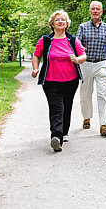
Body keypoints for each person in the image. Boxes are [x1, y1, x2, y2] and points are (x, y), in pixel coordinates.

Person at [32, 10, 86, 152]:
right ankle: (56, 137)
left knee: (67, 106)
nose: (60, 22)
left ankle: (64, 131)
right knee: (56, 108)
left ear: (67, 24)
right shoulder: (45, 40)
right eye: (57, 20)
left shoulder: (73, 40)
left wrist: (77, 59)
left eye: (63, 20)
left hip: (71, 80)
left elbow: (83, 56)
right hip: (50, 81)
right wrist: (35, 69)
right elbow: (36, 56)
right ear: (52, 24)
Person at [76, 1, 106, 136]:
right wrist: (81, 50)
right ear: (89, 11)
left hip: (102, 63)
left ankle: (103, 124)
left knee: (102, 93)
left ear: (101, 12)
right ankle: (86, 117)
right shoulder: (83, 27)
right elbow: (77, 44)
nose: (95, 11)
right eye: (93, 9)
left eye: (98, 9)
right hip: (86, 64)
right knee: (86, 94)